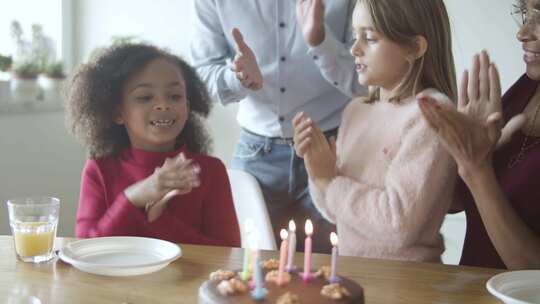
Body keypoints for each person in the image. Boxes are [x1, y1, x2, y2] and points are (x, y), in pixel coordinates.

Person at [190, 0, 366, 253]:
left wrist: (320, 42)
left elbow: (365, 79)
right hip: (255, 154)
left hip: (333, 151)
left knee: (332, 273)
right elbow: (199, 77)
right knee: (250, 271)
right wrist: (237, 78)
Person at [293, 0, 458, 262]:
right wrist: (317, 170)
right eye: (355, 35)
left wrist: (330, 182)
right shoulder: (355, 111)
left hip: (408, 284)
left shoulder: (429, 115)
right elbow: (336, 213)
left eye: (369, 38)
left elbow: (398, 226)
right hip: (354, 274)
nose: (355, 49)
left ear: (414, 48)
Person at [66, 43, 240, 247]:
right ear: (117, 112)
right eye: (145, 97)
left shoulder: (211, 171)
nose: (163, 105)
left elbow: (227, 255)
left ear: (187, 105)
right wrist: (133, 197)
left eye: (175, 96)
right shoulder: (98, 171)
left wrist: (160, 220)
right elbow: (86, 248)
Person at [418, 0, 540, 269]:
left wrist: (477, 170)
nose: (523, 32)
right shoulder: (526, 89)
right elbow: (460, 201)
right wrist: (455, 154)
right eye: (524, 11)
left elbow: (533, 277)